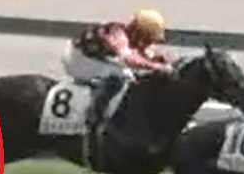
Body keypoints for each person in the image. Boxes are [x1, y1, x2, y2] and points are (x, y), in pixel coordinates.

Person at [62, 9, 173, 159]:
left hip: (93, 55)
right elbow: (128, 59)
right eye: (149, 38)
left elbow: (141, 54)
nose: (150, 43)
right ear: (140, 31)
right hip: (77, 59)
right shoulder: (118, 33)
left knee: (129, 72)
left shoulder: (132, 33)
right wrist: (155, 66)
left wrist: (155, 60)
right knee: (121, 75)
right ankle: (94, 118)